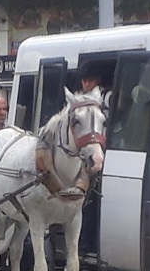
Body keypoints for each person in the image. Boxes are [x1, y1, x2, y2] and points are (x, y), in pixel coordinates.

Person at [35, 63, 104, 198]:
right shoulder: (76, 103)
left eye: (91, 81)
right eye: (85, 81)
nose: (87, 85)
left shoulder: (102, 98)